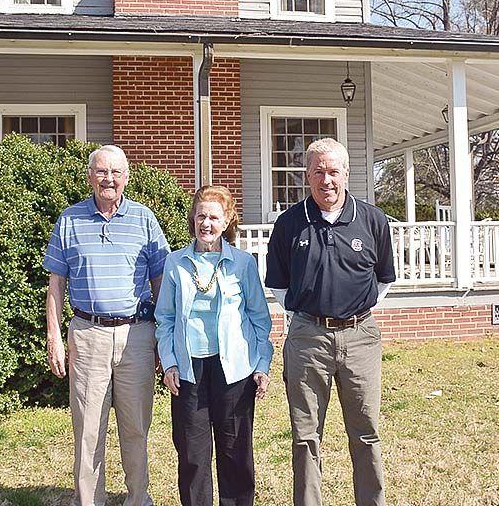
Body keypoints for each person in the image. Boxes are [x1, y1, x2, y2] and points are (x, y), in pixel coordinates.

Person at [265, 138, 396, 506]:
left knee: (366, 432)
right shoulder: (289, 224)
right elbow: (278, 284)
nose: (327, 180)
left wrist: (355, 311)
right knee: (305, 435)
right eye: (318, 172)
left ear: (346, 174)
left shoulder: (372, 220)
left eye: (333, 171)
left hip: (360, 337)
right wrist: (308, 317)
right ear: (307, 176)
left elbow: (384, 279)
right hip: (308, 339)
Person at [44, 144, 169, 506]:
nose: (108, 179)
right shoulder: (69, 219)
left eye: (115, 172)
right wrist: (54, 337)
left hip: (137, 335)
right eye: (101, 172)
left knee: (136, 427)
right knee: (87, 430)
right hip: (87, 335)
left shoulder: (144, 219)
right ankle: (89, 501)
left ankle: (138, 498)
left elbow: (160, 282)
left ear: (126, 177)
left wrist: (163, 337)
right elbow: (56, 283)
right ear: (90, 177)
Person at [155, 185, 274, 506]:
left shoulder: (243, 263)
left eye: (214, 217)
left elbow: (260, 320)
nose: (206, 223)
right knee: (192, 454)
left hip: (233, 369)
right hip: (188, 369)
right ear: (192, 219)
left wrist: (262, 366)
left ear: (227, 221)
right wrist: (169, 362)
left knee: (235, 451)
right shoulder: (175, 263)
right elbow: (165, 319)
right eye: (200, 216)